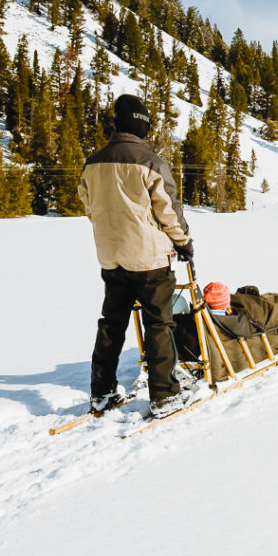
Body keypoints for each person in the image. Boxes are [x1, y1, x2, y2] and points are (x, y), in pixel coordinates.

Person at [78, 94, 197, 417]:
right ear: (142, 126)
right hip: (149, 259)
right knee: (159, 323)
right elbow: (169, 211)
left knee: (111, 324)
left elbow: (90, 207)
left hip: (111, 256)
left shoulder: (93, 162)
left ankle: (101, 391)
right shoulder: (151, 162)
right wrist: (183, 242)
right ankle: (164, 395)